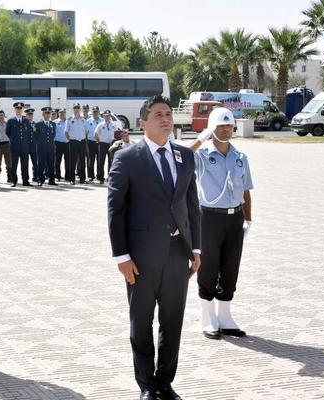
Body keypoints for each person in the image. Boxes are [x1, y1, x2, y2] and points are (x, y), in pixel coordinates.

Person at [107, 95, 201, 400]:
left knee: (172, 322)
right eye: (158, 114)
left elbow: (192, 206)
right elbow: (116, 210)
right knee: (141, 322)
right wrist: (122, 256)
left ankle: (165, 382)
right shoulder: (127, 158)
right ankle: (146, 385)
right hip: (141, 257)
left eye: (169, 114)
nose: (166, 119)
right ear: (143, 122)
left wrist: (196, 249)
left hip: (177, 253)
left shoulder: (185, 156)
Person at [188, 107, 253, 340]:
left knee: (230, 267)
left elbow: (246, 190)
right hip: (209, 218)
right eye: (220, 126)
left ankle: (225, 317)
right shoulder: (201, 155)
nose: (225, 129)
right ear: (211, 128)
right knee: (208, 268)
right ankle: (208, 317)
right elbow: (179, 160)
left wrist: (248, 219)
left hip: (234, 218)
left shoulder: (240, 157)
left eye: (229, 125)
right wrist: (200, 139)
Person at [5, 102, 32, 187]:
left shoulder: (26, 120)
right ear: (14, 109)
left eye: (20, 109)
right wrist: (14, 139)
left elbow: (29, 132)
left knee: (25, 164)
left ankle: (25, 181)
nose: (19, 110)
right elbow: (7, 132)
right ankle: (14, 181)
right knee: (14, 164)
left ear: (22, 110)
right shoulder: (11, 120)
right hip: (14, 146)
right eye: (17, 108)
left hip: (24, 146)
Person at [65, 104, 88, 184]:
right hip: (73, 142)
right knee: (72, 161)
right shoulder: (69, 119)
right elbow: (66, 132)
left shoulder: (84, 120)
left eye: (78, 108)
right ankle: (72, 179)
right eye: (75, 108)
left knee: (82, 161)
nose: (77, 109)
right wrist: (71, 139)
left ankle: (82, 179)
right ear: (73, 109)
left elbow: (86, 131)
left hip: (82, 142)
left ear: (80, 109)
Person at [34, 107, 56, 186]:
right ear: (43, 114)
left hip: (50, 148)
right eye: (46, 113)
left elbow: (53, 135)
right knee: (41, 164)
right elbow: (35, 136)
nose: (47, 115)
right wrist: (39, 144)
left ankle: (51, 180)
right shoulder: (38, 124)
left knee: (51, 164)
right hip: (41, 148)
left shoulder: (53, 124)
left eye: (49, 113)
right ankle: (40, 179)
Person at [94, 110, 116, 184]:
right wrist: (99, 141)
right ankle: (101, 178)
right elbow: (95, 134)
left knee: (111, 162)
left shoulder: (114, 125)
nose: (107, 117)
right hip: (102, 144)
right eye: (106, 116)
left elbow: (117, 134)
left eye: (109, 116)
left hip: (111, 145)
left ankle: (110, 177)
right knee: (101, 162)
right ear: (103, 116)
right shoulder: (100, 125)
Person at [86, 106, 103, 182]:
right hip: (91, 142)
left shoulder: (102, 121)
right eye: (94, 112)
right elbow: (86, 133)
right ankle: (91, 176)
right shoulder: (88, 121)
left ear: (99, 112)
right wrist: (86, 144)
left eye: (96, 111)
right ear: (92, 112)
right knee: (91, 160)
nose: (95, 113)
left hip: (100, 142)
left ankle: (99, 176)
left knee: (100, 160)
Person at [0, 110, 11, 183]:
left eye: (2, 115)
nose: (1, 116)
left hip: (7, 144)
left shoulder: (8, 124)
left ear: (4, 116)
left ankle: (9, 176)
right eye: (0, 115)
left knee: (9, 161)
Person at [53, 109, 69, 182]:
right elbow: (52, 133)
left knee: (68, 161)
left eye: (63, 113)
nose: (62, 114)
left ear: (65, 113)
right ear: (58, 114)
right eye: (61, 113)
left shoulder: (68, 121)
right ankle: (57, 176)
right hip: (58, 143)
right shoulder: (55, 122)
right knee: (57, 161)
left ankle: (67, 176)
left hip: (67, 143)